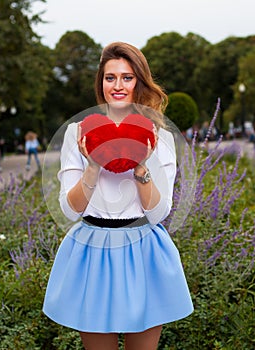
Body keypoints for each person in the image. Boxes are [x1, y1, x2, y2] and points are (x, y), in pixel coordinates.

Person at [43, 42, 193, 350]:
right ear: (101, 82)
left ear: (139, 81)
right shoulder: (77, 133)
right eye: (110, 77)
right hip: (92, 251)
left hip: (144, 252)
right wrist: (94, 166)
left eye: (127, 77)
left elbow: (158, 213)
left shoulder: (160, 138)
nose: (118, 85)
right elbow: (69, 211)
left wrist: (140, 165)